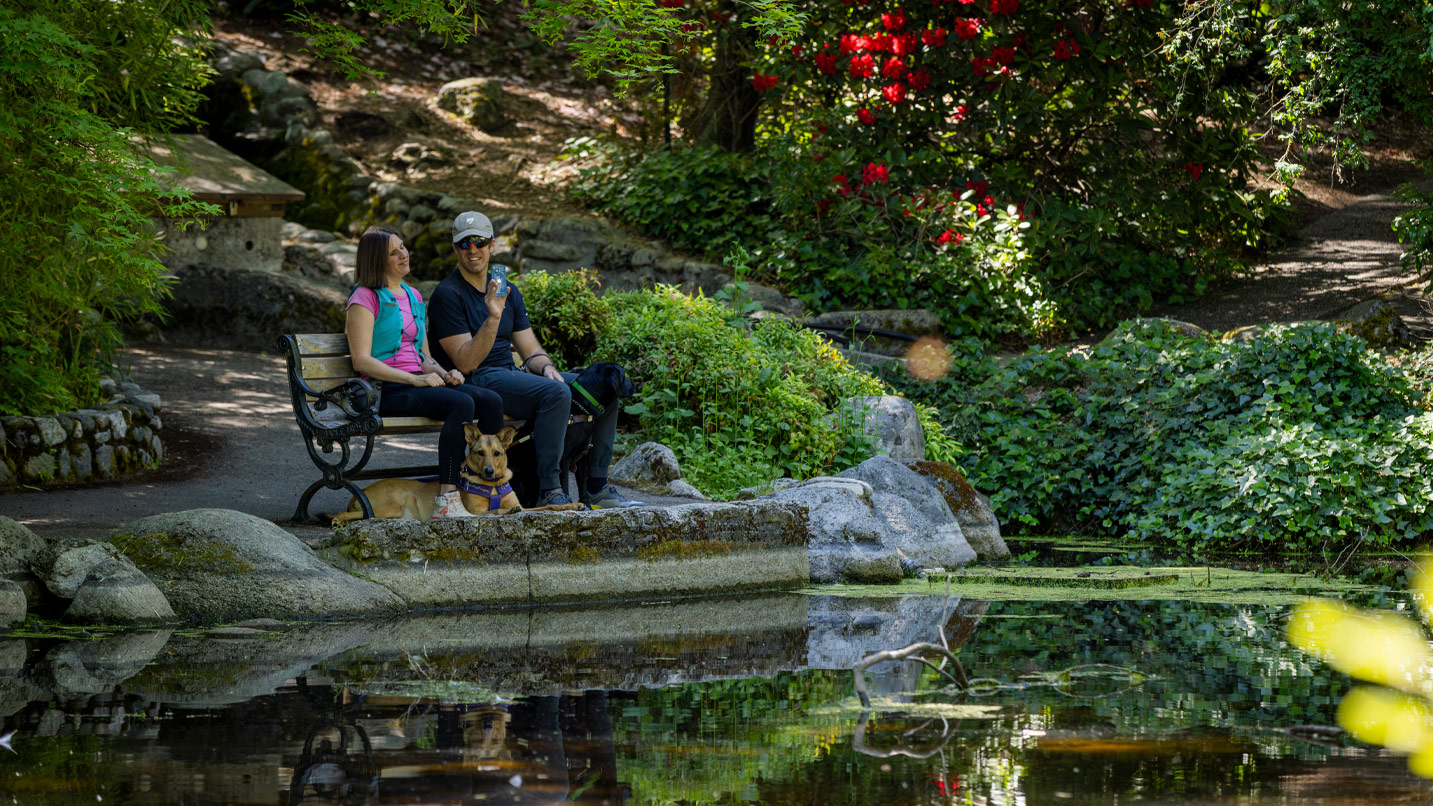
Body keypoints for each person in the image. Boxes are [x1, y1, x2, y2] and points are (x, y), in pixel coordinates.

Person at [426, 211, 643, 509]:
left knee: (603, 390)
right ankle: (550, 489)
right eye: (464, 243)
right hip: (479, 381)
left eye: (478, 241)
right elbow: (466, 363)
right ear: (455, 248)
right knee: (556, 393)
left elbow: (530, 349)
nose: (472, 249)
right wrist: (493, 316)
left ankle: (597, 486)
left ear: (491, 245)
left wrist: (547, 367)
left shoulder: (505, 288)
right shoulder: (447, 295)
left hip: (510, 374)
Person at [345, 226, 505, 519]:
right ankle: (447, 499)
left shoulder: (412, 294)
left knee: (490, 401)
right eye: (394, 252)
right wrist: (415, 379)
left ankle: (479, 486)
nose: (404, 254)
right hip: (384, 389)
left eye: (403, 247)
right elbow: (361, 361)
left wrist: (446, 374)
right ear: (375, 260)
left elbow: (423, 356)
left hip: (416, 384)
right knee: (461, 403)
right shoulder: (364, 298)